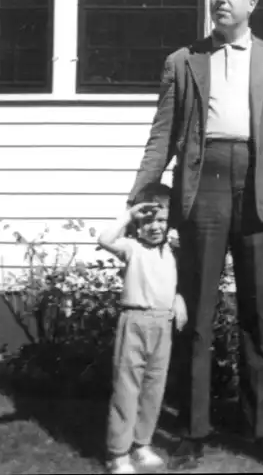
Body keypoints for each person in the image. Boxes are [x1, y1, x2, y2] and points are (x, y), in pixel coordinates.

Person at [127, 0, 263, 471]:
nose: (220, 0)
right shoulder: (183, 61)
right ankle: (193, 429)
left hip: (257, 187)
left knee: (259, 315)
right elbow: (162, 134)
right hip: (202, 185)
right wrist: (142, 191)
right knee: (196, 313)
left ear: (252, 3)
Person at [96, 182, 187, 474]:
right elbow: (105, 238)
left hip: (164, 324)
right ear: (138, 222)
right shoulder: (131, 248)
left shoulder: (173, 251)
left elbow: (179, 282)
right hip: (134, 322)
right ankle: (118, 453)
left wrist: (179, 300)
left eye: (161, 220)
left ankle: (141, 444)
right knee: (127, 388)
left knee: (153, 388)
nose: (155, 226)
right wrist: (129, 214)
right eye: (148, 220)